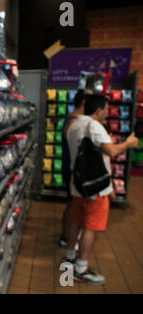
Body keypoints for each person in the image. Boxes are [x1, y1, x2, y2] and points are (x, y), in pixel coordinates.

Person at [63, 94, 138, 285]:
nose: (107, 112)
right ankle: (81, 269)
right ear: (98, 110)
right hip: (95, 188)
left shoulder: (73, 126)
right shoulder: (94, 126)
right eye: (106, 108)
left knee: (76, 221)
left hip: (78, 185)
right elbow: (111, 151)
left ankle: (69, 258)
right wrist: (128, 144)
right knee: (90, 227)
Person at [57, 90, 85, 248]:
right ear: (84, 102)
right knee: (72, 204)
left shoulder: (72, 120)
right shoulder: (73, 122)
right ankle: (65, 237)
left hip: (70, 167)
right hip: (71, 169)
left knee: (72, 203)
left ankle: (66, 236)